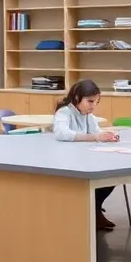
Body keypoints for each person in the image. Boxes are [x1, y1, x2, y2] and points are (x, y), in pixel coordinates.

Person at [52, 79, 121, 230]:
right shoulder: (64, 112)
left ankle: (95, 209)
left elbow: (96, 132)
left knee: (111, 176)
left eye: (96, 102)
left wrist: (107, 135)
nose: (93, 106)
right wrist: (95, 137)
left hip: (84, 159)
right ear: (77, 97)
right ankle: (94, 212)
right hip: (68, 162)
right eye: (90, 101)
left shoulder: (88, 115)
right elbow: (62, 133)